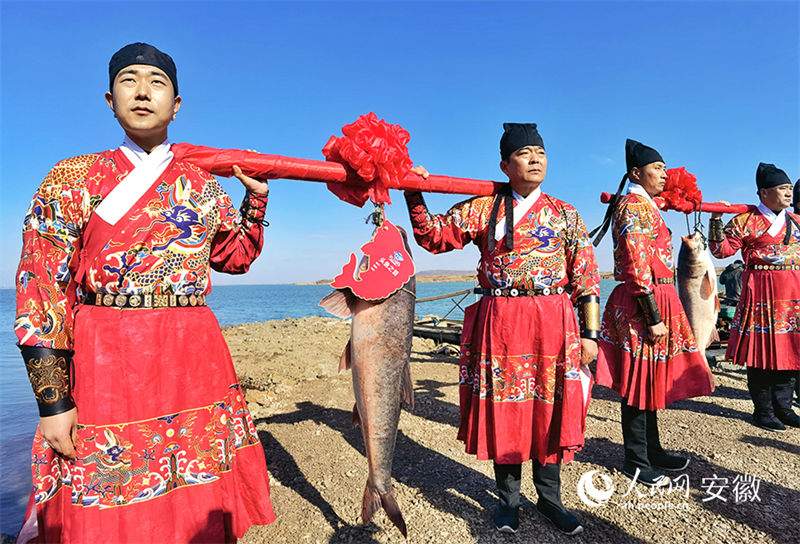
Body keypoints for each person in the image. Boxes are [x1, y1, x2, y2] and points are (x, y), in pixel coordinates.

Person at [14, 43, 276, 543]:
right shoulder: (70, 177)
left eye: (157, 82)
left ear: (176, 105)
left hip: (193, 355)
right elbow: (41, 289)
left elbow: (234, 257)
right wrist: (52, 402)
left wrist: (256, 199)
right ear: (109, 100)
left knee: (196, 487)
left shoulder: (204, 184)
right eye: (128, 80)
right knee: (103, 483)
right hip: (105, 357)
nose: (141, 91)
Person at [404, 123, 600, 536]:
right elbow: (433, 237)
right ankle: (508, 501)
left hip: (553, 321)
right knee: (506, 406)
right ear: (504, 166)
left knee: (550, 407)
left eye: (540, 153)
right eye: (525, 154)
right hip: (503, 322)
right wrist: (412, 190)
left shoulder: (566, 214)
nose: (535, 160)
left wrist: (590, 335)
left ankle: (550, 499)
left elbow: (586, 277)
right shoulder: (483, 209)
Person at [591, 139, 714, 487]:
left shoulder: (645, 203)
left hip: (659, 294)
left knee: (650, 379)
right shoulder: (632, 206)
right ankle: (636, 460)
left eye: (663, 168)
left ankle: (652, 450)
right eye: (657, 169)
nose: (663, 174)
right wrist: (653, 316)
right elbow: (635, 262)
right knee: (637, 382)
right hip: (642, 301)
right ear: (635, 173)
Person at [708, 163, 800, 431]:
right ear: (764, 193)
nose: (789, 193)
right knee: (761, 353)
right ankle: (763, 411)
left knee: (791, 349)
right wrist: (715, 218)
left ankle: (784, 408)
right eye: (782, 188)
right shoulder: (744, 220)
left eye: (790, 188)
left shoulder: (796, 221)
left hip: (793, 294)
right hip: (761, 292)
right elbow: (721, 251)